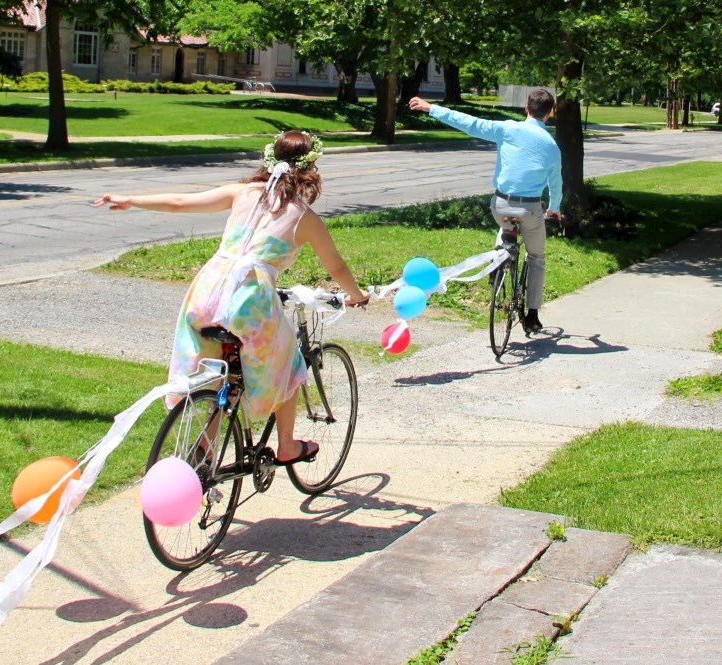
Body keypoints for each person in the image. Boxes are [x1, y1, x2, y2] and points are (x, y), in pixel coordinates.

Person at [94, 130, 369, 466]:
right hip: (248, 301)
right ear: (311, 170)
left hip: (207, 291)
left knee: (217, 371)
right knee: (290, 363)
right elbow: (337, 267)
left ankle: (204, 450)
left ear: (271, 158)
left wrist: (131, 199)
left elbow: (182, 202)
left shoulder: (244, 193)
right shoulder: (303, 217)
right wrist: (357, 295)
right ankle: (286, 446)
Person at [408, 89, 563, 334]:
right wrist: (554, 209)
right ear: (551, 113)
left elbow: (470, 123)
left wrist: (431, 108)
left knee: (505, 225)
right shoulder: (553, 148)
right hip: (531, 209)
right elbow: (556, 185)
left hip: (500, 205)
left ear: (526, 108)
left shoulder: (508, 129)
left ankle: (497, 263)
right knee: (536, 258)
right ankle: (532, 314)